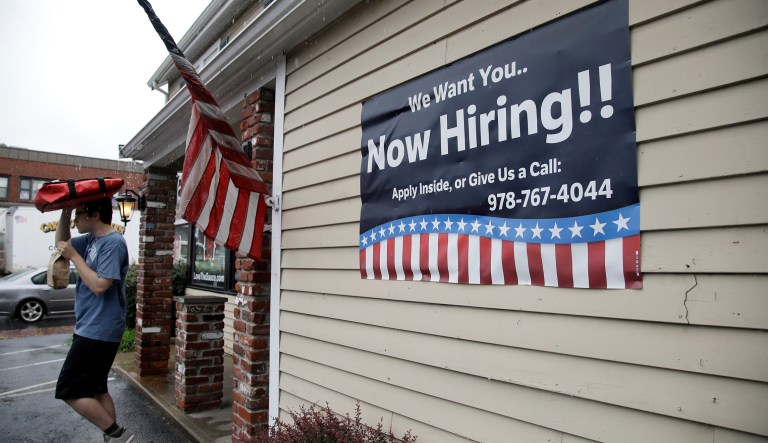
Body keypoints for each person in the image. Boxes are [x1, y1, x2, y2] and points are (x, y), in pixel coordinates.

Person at [54, 198, 134, 443]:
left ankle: (119, 436)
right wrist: (66, 212)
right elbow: (61, 244)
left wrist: (75, 257)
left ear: (95, 215)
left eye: (79, 213)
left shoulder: (113, 243)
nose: (77, 219)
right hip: (90, 326)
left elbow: (100, 285)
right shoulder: (90, 240)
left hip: (100, 328)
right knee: (97, 389)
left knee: (69, 389)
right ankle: (114, 439)